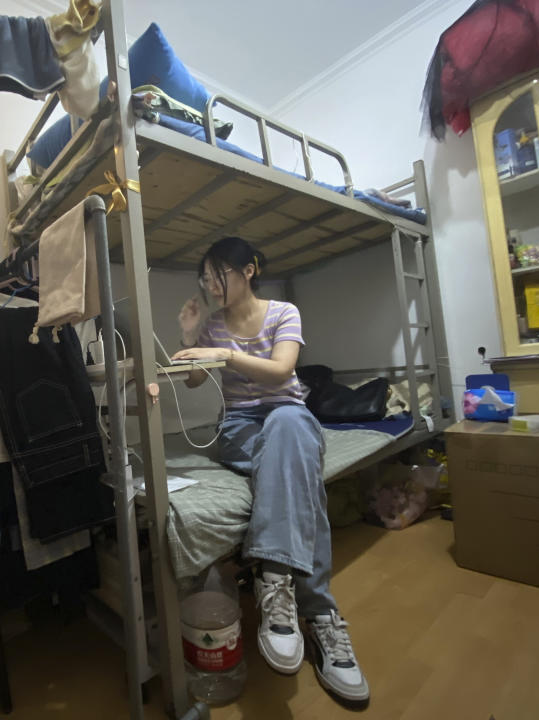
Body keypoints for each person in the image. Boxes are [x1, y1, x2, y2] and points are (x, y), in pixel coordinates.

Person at [171, 236, 369, 704]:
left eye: (219, 273)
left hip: (291, 416)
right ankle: (320, 616)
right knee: (295, 464)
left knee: (288, 424)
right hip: (240, 428)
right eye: (205, 276)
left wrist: (222, 355)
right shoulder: (215, 326)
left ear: (249, 271)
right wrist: (189, 335)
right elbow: (195, 376)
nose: (211, 284)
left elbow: (282, 372)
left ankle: (277, 579)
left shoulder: (283, 312)